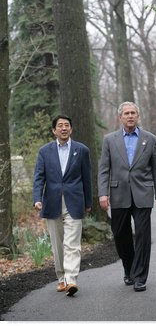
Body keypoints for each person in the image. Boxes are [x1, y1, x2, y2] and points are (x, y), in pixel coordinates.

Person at [98, 102, 156, 292]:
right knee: (120, 234)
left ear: (138, 116)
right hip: (118, 193)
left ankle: (140, 277)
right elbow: (104, 169)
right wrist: (103, 193)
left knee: (143, 236)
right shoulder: (109, 140)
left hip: (143, 193)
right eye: (126, 113)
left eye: (133, 113)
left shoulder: (150, 139)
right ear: (120, 117)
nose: (130, 116)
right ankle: (129, 269)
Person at [33, 115, 92, 297]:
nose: (64, 128)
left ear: (71, 129)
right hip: (52, 202)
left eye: (67, 125)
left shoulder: (82, 150)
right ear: (54, 130)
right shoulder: (45, 151)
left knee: (72, 243)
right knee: (57, 243)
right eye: (60, 126)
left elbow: (86, 178)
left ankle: (71, 279)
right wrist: (37, 198)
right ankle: (61, 278)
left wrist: (88, 202)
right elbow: (39, 177)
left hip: (74, 201)